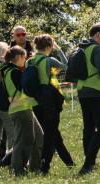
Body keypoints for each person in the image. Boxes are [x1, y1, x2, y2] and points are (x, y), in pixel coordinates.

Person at [27, 34, 74, 173]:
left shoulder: (30, 60)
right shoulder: (49, 60)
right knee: (50, 134)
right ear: (49, 47)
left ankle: (69, 163)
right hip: (49, 102)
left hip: (35, 100)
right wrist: (59, 51)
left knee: (53, 133)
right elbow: (67, 66)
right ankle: (44, 165)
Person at [76, 23, 100, 175]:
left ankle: (89, 163)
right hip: (96, 92)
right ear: (97, 34)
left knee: (88, 128)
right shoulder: (97, 49)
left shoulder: (81, 48)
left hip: (82, 92)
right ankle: (88, 163)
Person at [4, 46, 43, 175]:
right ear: (19, 57)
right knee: (23, 140)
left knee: (38, 136)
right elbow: (26, 88)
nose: (25, 59)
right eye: (24, 57)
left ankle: (35, 167)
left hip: (26, 108)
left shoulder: (13, 71)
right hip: (20, 110)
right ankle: (18, 170)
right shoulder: (14, 72)